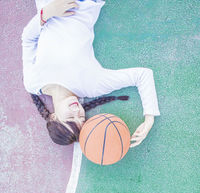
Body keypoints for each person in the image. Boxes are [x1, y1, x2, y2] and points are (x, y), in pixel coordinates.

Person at [21, 0, 161, 147]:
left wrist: (46, 13)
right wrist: (149, 117)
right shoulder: (92, 86)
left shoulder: (32, 83)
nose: (76, 110)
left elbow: (27, 40)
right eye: (81, 117)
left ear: (53, 116)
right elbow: (142, 75)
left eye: (70, 117)